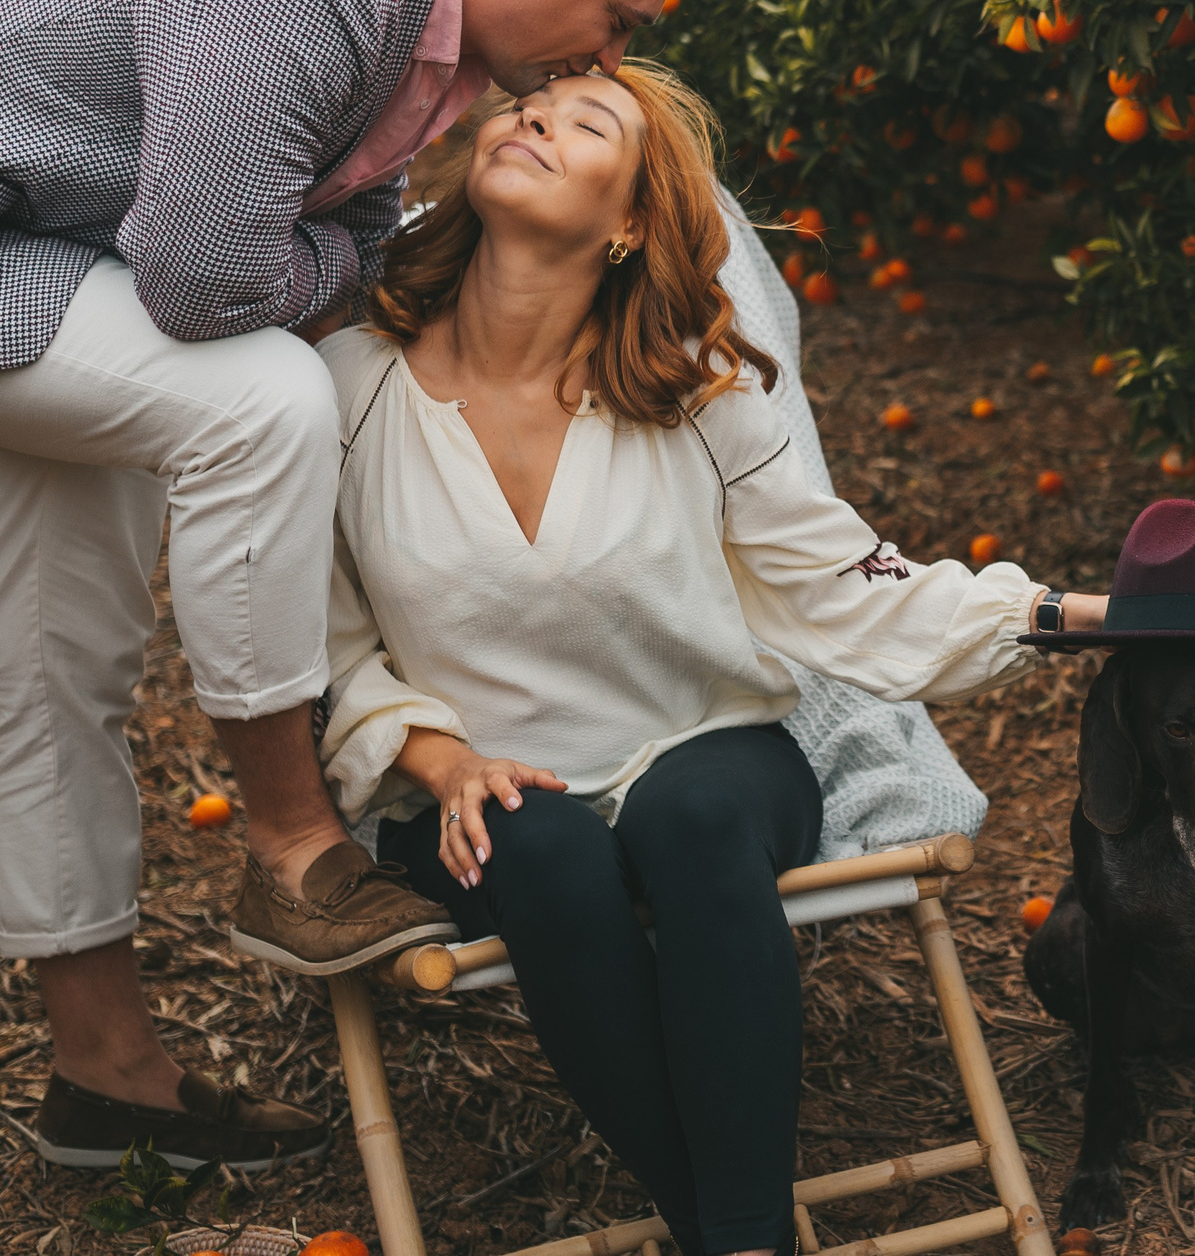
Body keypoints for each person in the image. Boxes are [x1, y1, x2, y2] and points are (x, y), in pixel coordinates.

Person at [0, 0, 689, 1170]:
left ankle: (104, 1077)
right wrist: (342, 264)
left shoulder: (427, 22)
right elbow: (208, 280)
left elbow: (319, 232)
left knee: (56, 652)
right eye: (618, 18)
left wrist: (336, 256)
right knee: (263, 397)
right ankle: (290, 845)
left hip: (49, 240)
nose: (613, 58)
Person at [315, 60, 1106, 1256]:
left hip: (706, 750)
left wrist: (1052, 613)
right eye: (530, 106)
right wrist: (441, 762)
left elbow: (845, 583)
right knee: (547, 847)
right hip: (475, 796)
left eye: (588, 123)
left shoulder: (691, 392)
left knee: (687, 820)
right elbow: (326, 646)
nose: (535, 118)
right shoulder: (349, 389)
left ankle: (734, 1240)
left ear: (630, 224)